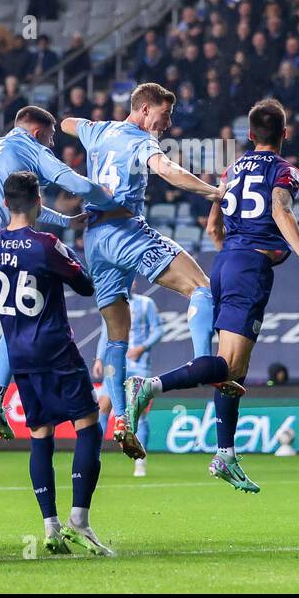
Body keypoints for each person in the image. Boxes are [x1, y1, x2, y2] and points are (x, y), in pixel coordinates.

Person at [124, 99, 299, 492]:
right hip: (249, 269)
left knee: (233, 374)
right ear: (285, 134)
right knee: (226, 364)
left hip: (227, 263)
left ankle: (226, 454)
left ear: (250, 135)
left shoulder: (232, 170)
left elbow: (213, 223)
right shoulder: (286, 171)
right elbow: (281, 211)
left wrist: (230, 254)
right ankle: (149, 387)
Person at [60, 83, 225, 460]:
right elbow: (167, 170)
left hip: (95, 242)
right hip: (125, 231)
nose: (167, 124)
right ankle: (203, 362)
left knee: (117, 335)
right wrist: (214, 193)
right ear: (146, 109)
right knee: (201, 287)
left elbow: (68, 122)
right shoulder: (141, 141)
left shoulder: (99, 130)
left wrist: (84, 127)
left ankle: (121, 419)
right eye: (165, 115)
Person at [0, 106, 116, 439]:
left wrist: (64, 220)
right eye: (50, 137)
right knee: (15, 317)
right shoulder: (29, 148)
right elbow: (69, 180)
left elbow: (19, 201)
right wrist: (105, 199)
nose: (52, 144)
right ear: (36, 133)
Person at [0, 171, 113, 555]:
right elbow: (85, 284)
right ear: (38, 202)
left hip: (18, 354)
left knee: (40, 435)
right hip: (55, 349)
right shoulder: (46, 244)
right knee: (87, 424)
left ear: (5, 204)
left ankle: (50, 526)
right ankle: (79, 520)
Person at [93, 283, 162, 477]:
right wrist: (99, 358)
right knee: (103, 405)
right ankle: (92, 455)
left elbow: (158, 330)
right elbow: (104, 333)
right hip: (113, 362)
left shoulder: (146, 303)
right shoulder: (110, 302)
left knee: (138, 412)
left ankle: (141, 461)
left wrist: (142, 348)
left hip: (138, 364)